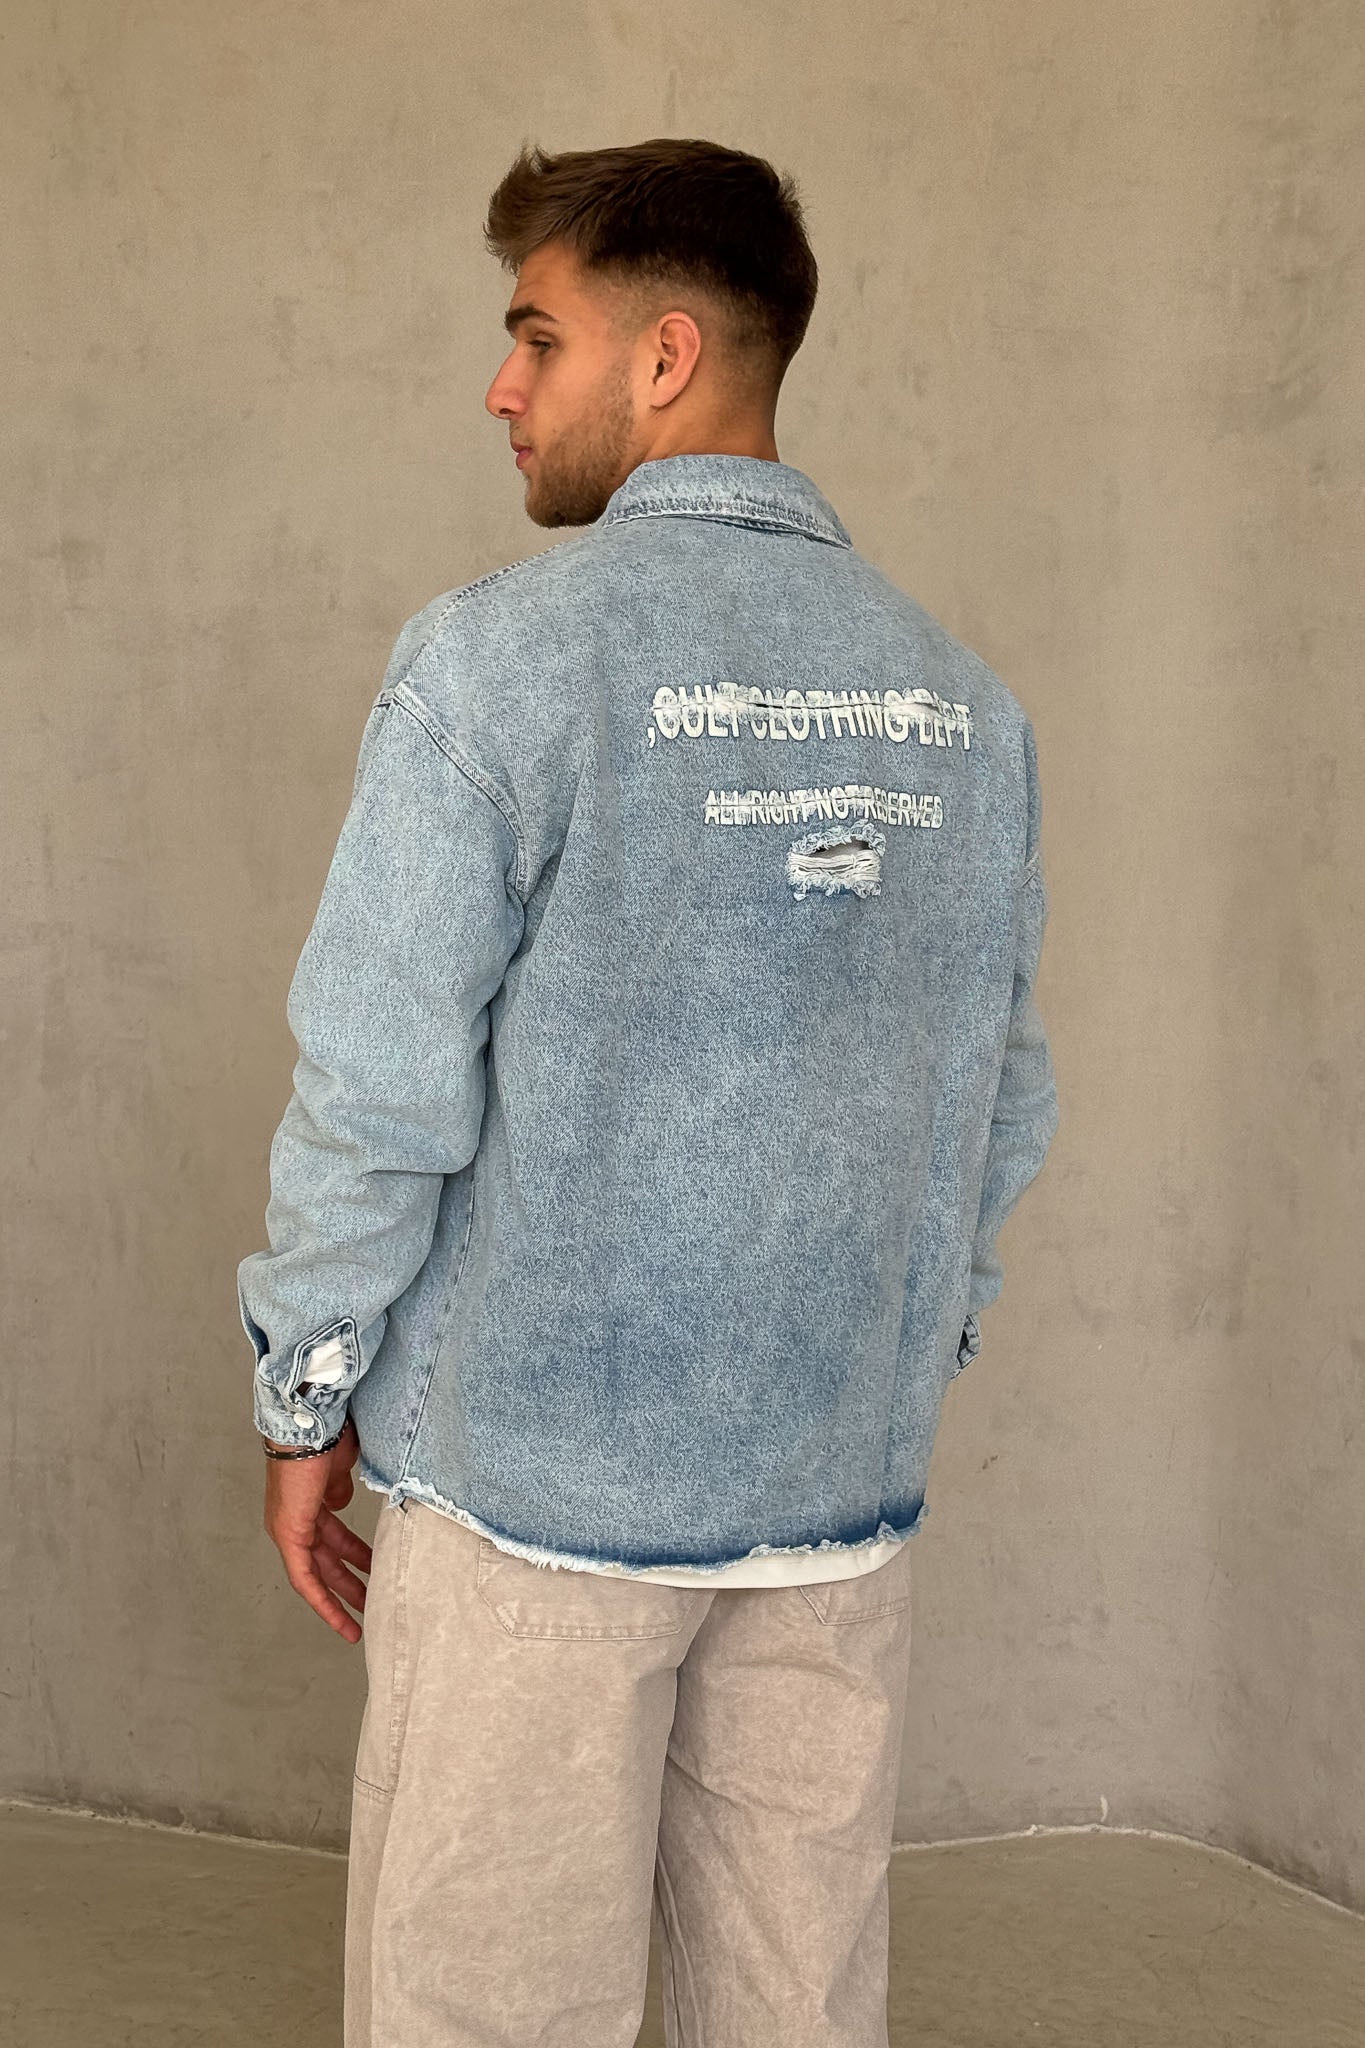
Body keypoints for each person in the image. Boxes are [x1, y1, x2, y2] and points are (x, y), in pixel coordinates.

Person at [237, 136, 1059, 2048]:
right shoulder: (964, 705)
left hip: (533, 1499)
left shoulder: (495, 667)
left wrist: (305, 1391)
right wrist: (888, 1352)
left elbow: (378, 1092)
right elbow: (997, 1100)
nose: (500, 387)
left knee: (489, 2014)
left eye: (537, 336)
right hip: (832, 1498)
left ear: (665, 355)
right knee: (791, 2009)